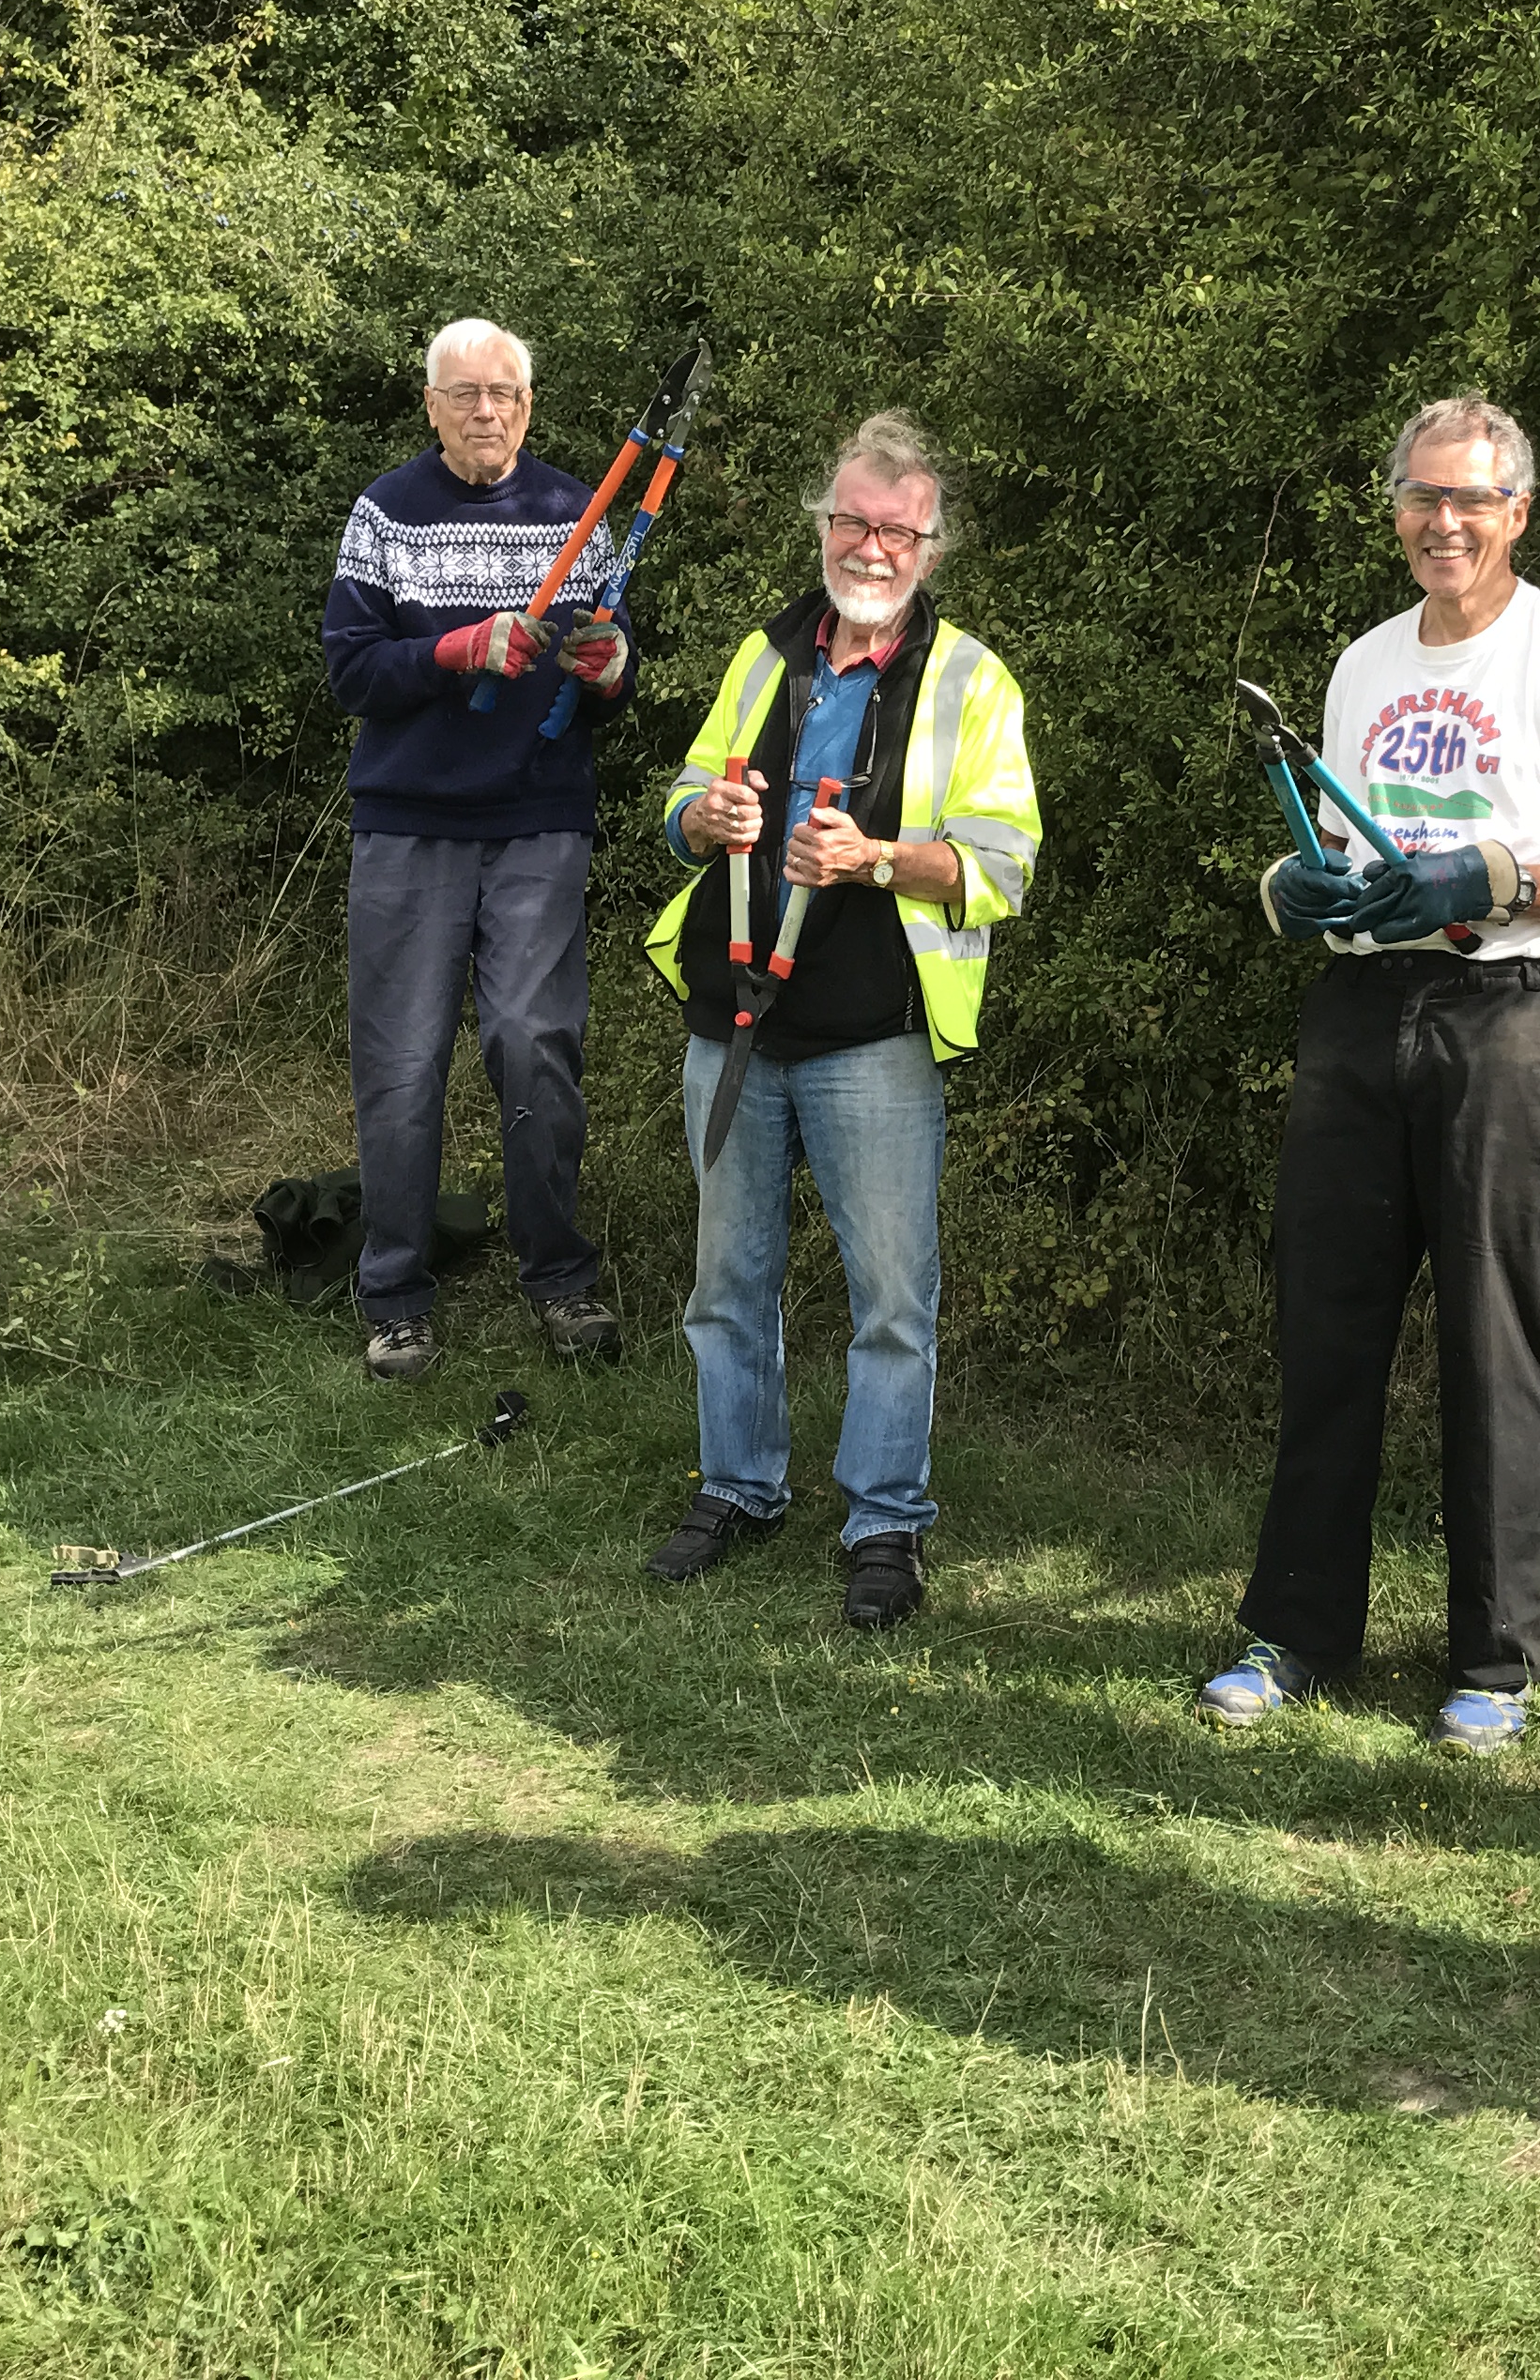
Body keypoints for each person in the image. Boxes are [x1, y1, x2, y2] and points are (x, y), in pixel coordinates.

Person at [1197, 396, 1540, 1754]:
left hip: (1513, 1015)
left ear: (1518, 513)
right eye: (1423, 497)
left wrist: (1514, 876)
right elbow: (1350, 857)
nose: (1445, 521)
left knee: (1497, 1342)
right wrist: (1307, 891)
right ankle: (1295, 1631)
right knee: (1326, 1322)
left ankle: (1495, 1658)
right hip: (1360, 1007)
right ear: (1395, 509)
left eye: (1472, 500)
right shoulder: (1361, 667)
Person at [639, 413, 1041, 1632]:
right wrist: (700, 822)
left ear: (930, 544)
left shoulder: (972, 680)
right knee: (727, 1283)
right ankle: (740, 1488)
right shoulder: (764, 655)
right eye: (855, 521)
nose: (874, 544)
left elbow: (1005, 864)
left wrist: (874, 859)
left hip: (875, 1035)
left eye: (898, 528)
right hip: (739, 1015)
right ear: (824, 526)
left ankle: (883, 1523)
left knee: (890, 1302)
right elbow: (682, 794)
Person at [320, 318, 640, 1381]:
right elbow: (354, 672)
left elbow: (608, 673)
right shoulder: (385, 513)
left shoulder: (574, 513)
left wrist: (611, 670)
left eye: (503, 393)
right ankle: (397, 1294)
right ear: (430, 405)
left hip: (539, 818)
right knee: (402, 1062)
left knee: (531, 1042)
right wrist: (454, 651)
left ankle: (559, 1276)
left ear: (529, 405)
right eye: (464, 395)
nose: (486, 411)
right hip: (408, 823)